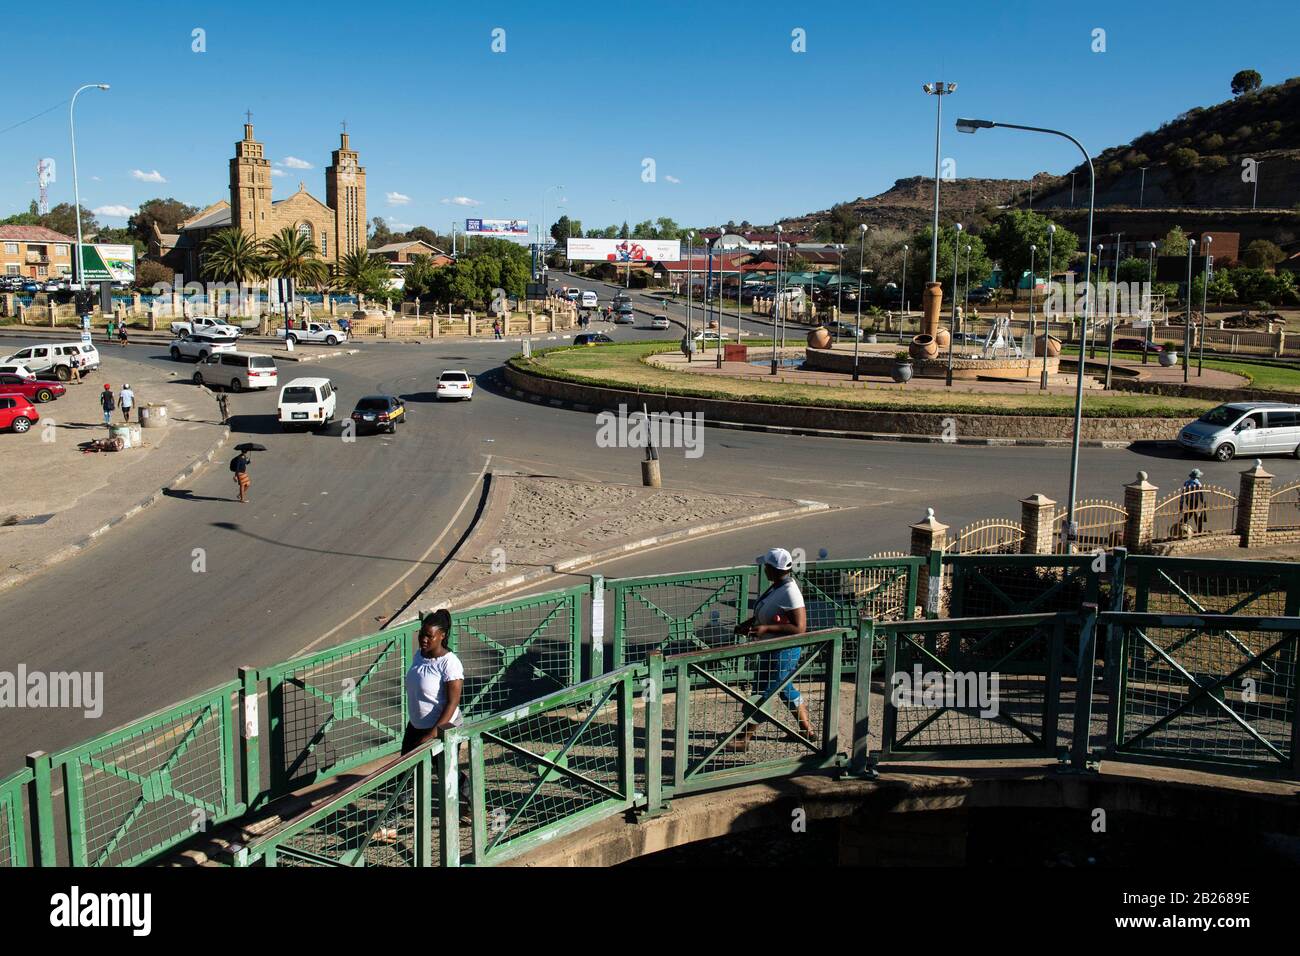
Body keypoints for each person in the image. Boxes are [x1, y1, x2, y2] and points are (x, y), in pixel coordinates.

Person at [728, 548, 814, 751]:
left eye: (765, 566)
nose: (763, 570)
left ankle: (744, 737)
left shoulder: (790, 591)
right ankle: (806, 729)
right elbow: (766, 612)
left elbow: (800, 628)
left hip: (783, 652)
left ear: (772, 569)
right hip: (774, 649)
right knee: (784, 688)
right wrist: (750, 624)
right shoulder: (778, 586)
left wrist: (766, 628)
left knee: (763, 692)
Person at [1180, 468, 1207, 534]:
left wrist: (1181, 503)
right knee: (1195, 513)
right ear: (1198, 476)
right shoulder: (1198, 484)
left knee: (1191, 512)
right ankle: (1199, 530)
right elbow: (1201, 494)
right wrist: (1203, 502)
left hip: (1188, 500)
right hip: (1195, 500)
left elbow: (1183, 494)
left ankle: (1181, 523)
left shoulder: (1186, 483)